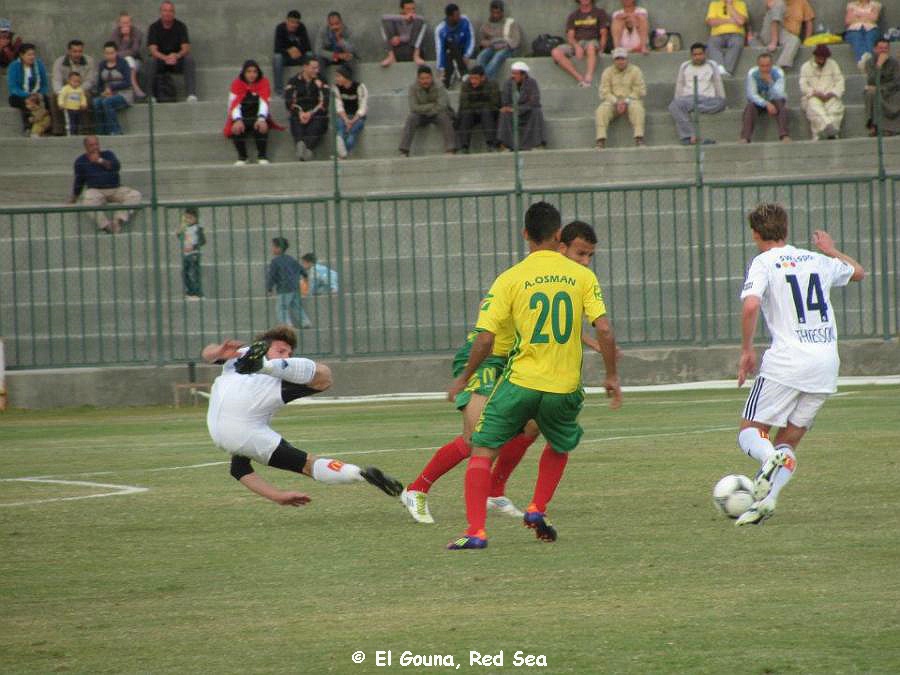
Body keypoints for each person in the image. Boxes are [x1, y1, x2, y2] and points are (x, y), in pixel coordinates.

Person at [402, 220, 607, 525]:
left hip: (514, 364)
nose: (584, 262)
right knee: (477, 440)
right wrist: (463, 378)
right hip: (486, 360)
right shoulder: (522, 277)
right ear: (559, 245)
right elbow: (490, 324)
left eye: (589, 256)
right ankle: (417, 489)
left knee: (532, 426)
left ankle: (494, 491)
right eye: (580, 254)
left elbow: (548, 326)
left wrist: (587, 340)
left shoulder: (565, 280)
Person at [445, 202, 621, 549]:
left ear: (525, 234)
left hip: (520, 382)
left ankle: (476, 532)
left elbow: (485, 338)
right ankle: (537, 507)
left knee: (481, 451)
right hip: (564, 387)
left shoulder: (510, 278)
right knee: (559, 443)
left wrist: (464, 377)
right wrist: (612, 375)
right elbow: (604, 330)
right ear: (559, 236)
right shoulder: (583, 276)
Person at [733, 203, 864, 526]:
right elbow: (858, 272)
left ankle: (767, 459)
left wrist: (747, 350)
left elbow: (751, 306)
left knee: (751, 431)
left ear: (755, 234)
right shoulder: (818, 260)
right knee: (787, 440)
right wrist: (832, 250)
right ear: (786, 230)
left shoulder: (764, 262)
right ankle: (767, 501)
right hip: (825, 364)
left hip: (787, 362)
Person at [203, 326, 403, 507]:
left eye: (289, 354)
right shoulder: (240, 355)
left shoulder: (276, 379)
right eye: (281, 351)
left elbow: (239, 470)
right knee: (309, 464)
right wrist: (217, 351)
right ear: (262, 347)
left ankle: (360, 474)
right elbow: (207, 353)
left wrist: (277, 496)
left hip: (233, 432)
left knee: (309, 462)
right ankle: (359, 474)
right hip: (237, 430)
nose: (286, 356)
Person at [68, 135, 142, 233]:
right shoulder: (80, 161)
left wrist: (100, 160)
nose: (95, 147)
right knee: (87, 202)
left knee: (135, 195)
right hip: (96, 191)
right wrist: (73, 199)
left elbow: (116, 166)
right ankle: (106, 226)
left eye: (96, 144)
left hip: (115, 189)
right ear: (86, 147)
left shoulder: (108, 154)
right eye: (91, 145)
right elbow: (79, 181)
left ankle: (118, 220)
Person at [669, 42, 727, 145]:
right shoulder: (685, 66)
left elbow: (718, 83)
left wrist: (722, 98)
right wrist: (678, 100)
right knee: (674, 105)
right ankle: (689, 136)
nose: (698, 57)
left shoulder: (712, 65)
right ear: (691, 56)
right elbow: (680, 84)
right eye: (695, 55)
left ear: (705, 54)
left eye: (700, 54)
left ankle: (692, 108)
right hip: (689, 98)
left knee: (721, 103)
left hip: (708, 99)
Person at [225, 60, 280, 165]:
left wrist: (261, 119)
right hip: (242, 116)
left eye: (255, 72)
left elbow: (264, 102)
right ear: (244, 73)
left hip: (257, 115)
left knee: (262, 127)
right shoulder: (237, 84)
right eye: (249, 72)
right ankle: (242, 157)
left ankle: (262, 155)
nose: (252, 75)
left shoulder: (264, 82)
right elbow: (233, 105)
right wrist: (237, 119)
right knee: (236, 129)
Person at [399, 65, 456, 156]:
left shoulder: (440, 86)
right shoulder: (413, 88)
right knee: (411, 118)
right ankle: (404, 150)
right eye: (422, 78)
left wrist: (426, 109)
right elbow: (413, 107)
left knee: (444, 117)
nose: (425, 81)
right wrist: (432, 105)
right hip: (421, 115)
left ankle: (450, 148)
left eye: (427, 78)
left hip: (437, 113)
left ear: (431, 77)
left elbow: (442, 105)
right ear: (418, 79)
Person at [146, 1, 198, 103]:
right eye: (165, 10)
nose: (167, 13)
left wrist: (176, 55)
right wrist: (165, 58)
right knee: (150, 61)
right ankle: (150, 96)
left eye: (170, 11)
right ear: (160, 12)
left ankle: (191, 94)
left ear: (174, 13)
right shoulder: (154, 27)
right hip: (161, 60)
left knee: (189, 60)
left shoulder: (180, 26)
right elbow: (152, 50)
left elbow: (186, 47)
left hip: (176, 60)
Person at [595, 47, 647, 149]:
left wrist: (626, 101)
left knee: (637, 109)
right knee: (601, 110)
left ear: (627, 59)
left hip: (631, 100)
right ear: (614, 60)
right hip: (613, 102)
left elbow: (640, 90)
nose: (620, 61)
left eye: (622, 59)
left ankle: (639, 138)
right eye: (617, 59)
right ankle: (600, 140)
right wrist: (616, 102)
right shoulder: (607, 72)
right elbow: (604, 91)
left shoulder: (635, 71)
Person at [551, 0, 610, 88]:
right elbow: (570, 36)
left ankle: (588, 77)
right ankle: (579, 78)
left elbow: (604, 33)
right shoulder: (574, 15)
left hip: (592, 41)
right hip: (577, 43)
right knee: (555, 52)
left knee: (590, 46)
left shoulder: (599, 12)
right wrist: (577, 46)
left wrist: (601, 49)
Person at [285, 55, 329, 162]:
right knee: (295, 120)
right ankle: (301, 144)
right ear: (305, 67)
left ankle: (307, 148)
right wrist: (300, 112)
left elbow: (325, 102)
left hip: (316, 112)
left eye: (317, 68)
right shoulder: (293, 81)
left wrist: (311, 113)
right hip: (299, 112)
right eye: (314, 68)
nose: (316, 70)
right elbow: (289, 102)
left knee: (319, 122)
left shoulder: (322, 80)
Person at [741, 53, 791, 142]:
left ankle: (784, 135)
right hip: (759, 101)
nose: (765, 69)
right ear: (758, 65)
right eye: (762, 66)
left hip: (775, 100)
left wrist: (770, 82)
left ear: (772, 65)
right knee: (749, 107)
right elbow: (751, 94)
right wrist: (766, 103)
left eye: (767, 66)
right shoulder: (752, 73)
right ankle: (745, 137)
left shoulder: (778, 73)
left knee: (781, 105)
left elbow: (779, 94)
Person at [497, 61, 546, 151]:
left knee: (537, 111)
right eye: (513, 73)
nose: (513, 76)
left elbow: (534, 101)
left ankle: (537, 144)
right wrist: (511, 109)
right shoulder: (508, 83)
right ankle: (506, 145)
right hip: (512, 111)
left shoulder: (532, 83)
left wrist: (517, 109)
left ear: (523, 75)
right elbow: (505, 101)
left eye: (516, 74)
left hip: (527, 111)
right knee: (504, 113)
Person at [799, 44, 844, 140]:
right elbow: (803, 85)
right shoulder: (805, 67)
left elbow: (840, 81)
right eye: (819, 58)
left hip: (830, 96)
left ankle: (829, 134)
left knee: (834, 109)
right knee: (814, 107)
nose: (822, 60)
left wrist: (832, 93)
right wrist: (814, 93)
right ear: (815, 56)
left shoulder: (833, 64)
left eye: (824, 58)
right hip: (813, 96)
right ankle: (828, 127)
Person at [52, 40, 95, 135]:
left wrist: (77, 90)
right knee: (55, 96)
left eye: (80, 51)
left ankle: (85, 130)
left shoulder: (89, 61)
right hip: (65, 90)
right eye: (74, 51)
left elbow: (90, 80)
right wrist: (62, 92)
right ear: (69, 51)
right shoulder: (59, 62)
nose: (77, 54)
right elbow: (56, 80)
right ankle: (58, 130)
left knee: (86, 96)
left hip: (82, 89)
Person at [755, 0, 814, 70]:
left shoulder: (802, 2)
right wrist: (774, 41)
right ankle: (773, 40)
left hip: (786, 35)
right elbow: (771, 11)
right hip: (771, 31)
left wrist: (807, 41)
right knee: (779, 3)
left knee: (795, 40)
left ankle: (778, 68)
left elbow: (808, 22)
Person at [267, 237, 312, 329]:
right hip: (295, 287)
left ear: (279, 248)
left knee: (281, 308)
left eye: (273, 247)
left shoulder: (275, 261)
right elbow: (301, 269)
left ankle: (287, 325)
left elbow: (272, 276)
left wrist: (269, 288)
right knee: (296, 306)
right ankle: (305, 322)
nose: (272, 249)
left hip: (284, 288)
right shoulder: (291, 259)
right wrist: (305, 277)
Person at [7, 44, 51, 136]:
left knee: (46, 100)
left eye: (33, 54)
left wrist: (38, 94)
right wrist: (27, 95)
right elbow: (13, 87)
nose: (32, 57)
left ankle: (46, 126)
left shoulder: (39, 64)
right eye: (29, 55)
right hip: (20, 95)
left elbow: (44, 85)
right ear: (22, 55)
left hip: (37, 95)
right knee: (24, 102)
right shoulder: (14, 66)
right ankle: (29, 125)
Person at [456, 65, 499, 152]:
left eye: (475, 78)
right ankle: (464, 146)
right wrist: (482, 104)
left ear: (483, 77)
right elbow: (464, 104)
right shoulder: (465, 85)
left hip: (489, 113)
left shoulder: (492, 84)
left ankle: (491, 144)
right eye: (471, 78)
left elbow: (495, 104)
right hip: (472, 113)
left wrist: (478, 105)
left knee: (486, 111)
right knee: (466, 113)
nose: (473, 81)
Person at [93, 42, 133, 136]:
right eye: (107, 53)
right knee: (96, 102)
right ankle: (101, 131)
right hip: (106, 93)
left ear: (116, 52)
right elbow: (99, 83)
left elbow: (128, 82)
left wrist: (111, 87)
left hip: (123, 93)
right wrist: (102, 92)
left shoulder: (123, 63)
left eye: (112, 53)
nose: (109, 55)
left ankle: (116, 130)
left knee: (107, 102)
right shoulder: (102, 65)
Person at [476, 0, 521, 80]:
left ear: (502, 12)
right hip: (491, 47)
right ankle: (484, 80)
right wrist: (491, 44)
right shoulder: (486, 25)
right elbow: (481, 41)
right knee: (480, 57)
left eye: (498, 13)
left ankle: (484, 81)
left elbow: (516, 41)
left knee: (497, 58)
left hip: (507, 49)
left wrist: (503, 45)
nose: (495, 15)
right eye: (493, 13)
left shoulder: (511, 23)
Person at [864, 39, 900, 137]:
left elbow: (897, 82)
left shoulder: (895, 63)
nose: (883, 51)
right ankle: (874, 126)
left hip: (891, 90)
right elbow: (871, 81)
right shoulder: (869, 63)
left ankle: (889, 128)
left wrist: (883, 89)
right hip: (876, 89)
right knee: (869, 93)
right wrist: (878, 65)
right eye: (880, 48)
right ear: (875, 49)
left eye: (886, 48)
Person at [273, 10, 312, 96]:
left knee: (310, 55)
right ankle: (279, 90)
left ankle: (311, 86)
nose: (294, 25)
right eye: (292, 22)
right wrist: (289, 51)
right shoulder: (280, 28)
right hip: (286, 58)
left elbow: (307, 46)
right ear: (286, 21)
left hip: (299, 57)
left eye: (296, 23)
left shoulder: (301, 27)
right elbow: (277, 48)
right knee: (277, 58)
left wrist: (298, 50)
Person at [435, 3, 475, 88]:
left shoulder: (465, 20)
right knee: (450, 47)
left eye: (459, 13)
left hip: (464, 51)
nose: (459, 16)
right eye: (457, 15)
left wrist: (467, 54)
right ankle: (462, 74)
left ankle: (448, 80)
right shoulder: (440, 29)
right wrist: (441, 68)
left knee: (452, 50)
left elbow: (471, 38)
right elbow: (440, 50)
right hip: (450, 52)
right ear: (450, 17)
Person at [705, 0, 750, 77]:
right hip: (717, 34)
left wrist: (730, 6)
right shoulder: (714, 4)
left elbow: (741, 21)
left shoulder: (741, 4)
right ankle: (720, 68)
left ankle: (727, 71)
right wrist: (730, 20)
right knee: (711, 43)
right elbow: (711, 22)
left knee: (737, 42)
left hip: (736, 34)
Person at [332, 65, 368, 160]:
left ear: (346, 77)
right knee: (340, 129)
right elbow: (339, 106)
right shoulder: (336, 88)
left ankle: (342, 155)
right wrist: (346, 120)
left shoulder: (360, 87)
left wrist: (352, 121)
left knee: (351, 134)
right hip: (344, 116)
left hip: (358, 117)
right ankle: (341, 148)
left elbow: (363, 107)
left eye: (339, 76)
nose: (337, 79)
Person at [109, 12, 146, 99]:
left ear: (131, 23)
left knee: (129, 59)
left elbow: (135, 51)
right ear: (119, 24)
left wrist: (127, 38)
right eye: (123, 23)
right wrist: (125, 40)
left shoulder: (137, 33)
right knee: (127, 59)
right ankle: (135, 86)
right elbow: (113, 52)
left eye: (128, 22)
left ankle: (132, 89)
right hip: (118, 61)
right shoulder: (115, 34)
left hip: (136, 60)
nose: (126, 25)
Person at [381, 0, 428, 68]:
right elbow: (383, 18)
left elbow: (422, 19)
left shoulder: (417, 19)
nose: (411, 12)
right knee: (386, 24)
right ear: (402, 10)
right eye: (408, 9)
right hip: (398, 51)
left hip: (413, 49)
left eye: (413, 9)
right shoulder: (396, 19)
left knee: (420, 22)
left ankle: (416, 56)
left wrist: (400, 38)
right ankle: (391, 56)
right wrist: (403, 17)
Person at [318, 11, 357, 79]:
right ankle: (323, 85)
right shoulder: (323, 31)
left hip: (344, 56)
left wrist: (340, 39)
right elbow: (318, 50)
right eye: (331, 25)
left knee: (351, 58)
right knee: (319, 59)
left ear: (341, 22)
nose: (334, 27)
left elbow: (353, 49)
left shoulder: (347, 30)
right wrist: (336, 55)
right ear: (328, 24)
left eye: (337, 24)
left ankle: (350, 83)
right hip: (330, 57)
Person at [177, 207, 204, 299]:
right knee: (184, 273)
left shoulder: (198, 228)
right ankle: (190, 292)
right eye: (186, 218)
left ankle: (198, 293)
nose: (188, 220)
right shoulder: (185, 228)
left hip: (194, 253)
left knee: (194, 273)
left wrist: (194, 246)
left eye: (190, 218)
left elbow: (203, 241)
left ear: (195, 218)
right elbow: (180, 237)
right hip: (186, 254)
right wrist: (180, 231)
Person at [844, 1, 882, 65]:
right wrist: (866, 16)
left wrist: (857, 16)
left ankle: (870, 63)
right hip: (854, 29)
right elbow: (848, 21)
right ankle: (863, 63)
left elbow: (874, 18)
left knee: (869, 40)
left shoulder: (875, 5)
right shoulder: (851, 5)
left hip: (871, 28)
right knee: (857, 39)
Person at [57, 71, 88, 136]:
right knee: (70, 122)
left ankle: (76, 133)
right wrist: (61, 104)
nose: (76, 83)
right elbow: (61, 96)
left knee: (77, 122)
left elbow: (83, 97)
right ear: (69, 81)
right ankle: (70, 134)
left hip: (77, 109)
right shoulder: (65, 89)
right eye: (74, 81)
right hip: (68, 109)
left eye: (78, 82)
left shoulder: (80, 90)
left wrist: (83, 104)